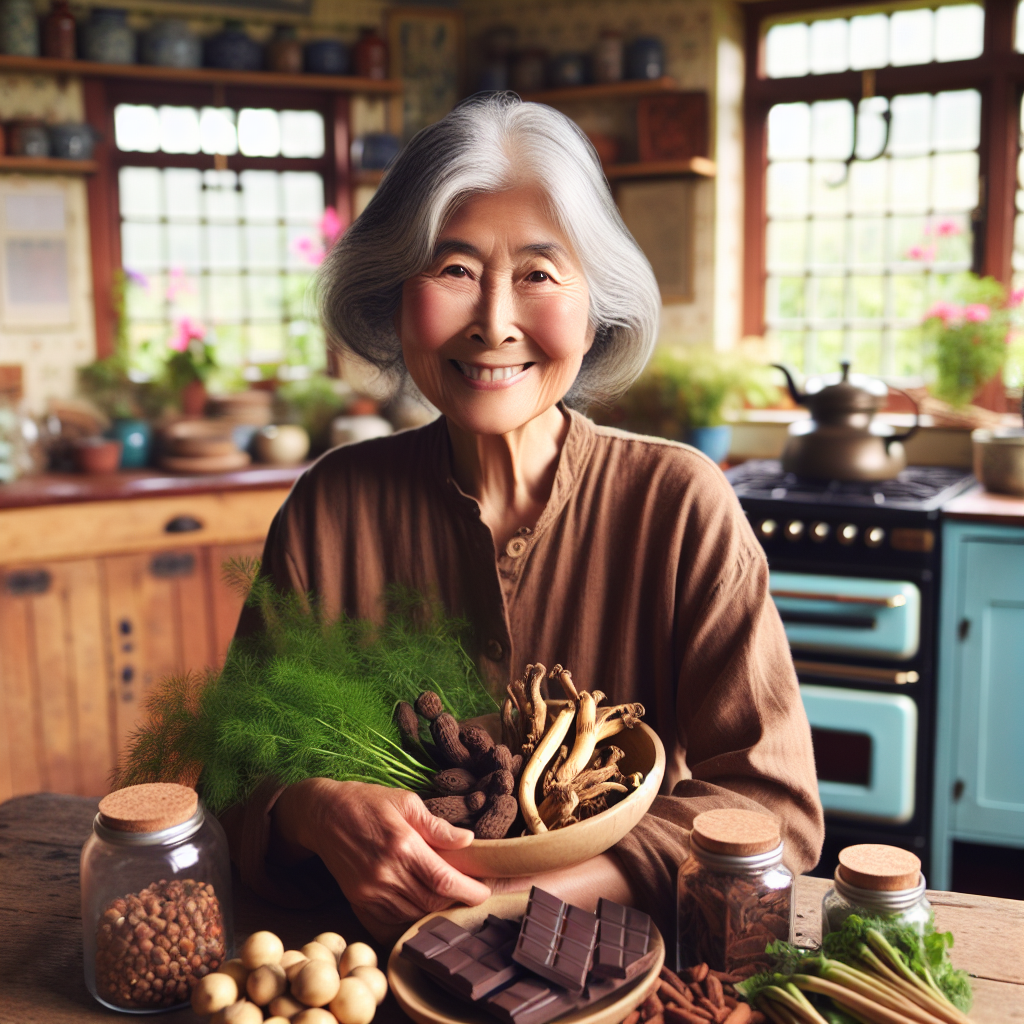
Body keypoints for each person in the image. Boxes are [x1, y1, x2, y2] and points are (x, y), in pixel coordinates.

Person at [223, 93, 823, 944]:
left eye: (539, 274)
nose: (495, 322)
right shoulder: (332, 505)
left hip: (618, 969)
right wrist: (317, 811)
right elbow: (236, 775)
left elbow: (773, 807)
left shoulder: (681, 504)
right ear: (398, 294)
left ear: (593, 304)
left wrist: (526, 905)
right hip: (371, 971)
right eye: (455, 270)